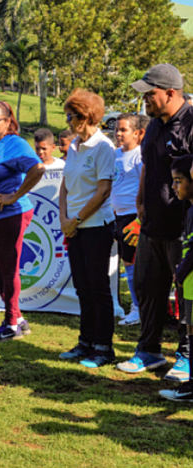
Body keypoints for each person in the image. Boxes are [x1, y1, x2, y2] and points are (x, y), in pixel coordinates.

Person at [117, 64, 193, 375]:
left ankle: (186, 356)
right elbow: (148, 164)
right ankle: (148, 351)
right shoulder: (154, 125)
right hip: (152, 224)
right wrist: (139, 198)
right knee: (147, 287)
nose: (144, 99)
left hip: (182, 228)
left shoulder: (190, 124)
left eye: (150, 93)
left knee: (187, 295)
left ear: (171, 93)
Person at [0, 100, 45, 340]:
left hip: (10, 214)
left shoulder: (14, 143)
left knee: (7, 268)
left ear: (8, 121)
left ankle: (11, 323)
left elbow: (38, 168)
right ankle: (17, 316)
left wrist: (14, 195)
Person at [58, 88, 117, 368]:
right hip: (74, 227)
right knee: (82, 286)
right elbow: (65, 184)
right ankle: (85, 342)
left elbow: (103, 191)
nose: (68, 120)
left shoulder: (104, 147)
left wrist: (77, 219)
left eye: (71, 115)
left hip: (96, 226)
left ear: (85, 116)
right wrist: (63, 219)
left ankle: (103, 347)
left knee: (97, 287)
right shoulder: (73, 146)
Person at [159, 156, 193, 402]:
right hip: (189, 285)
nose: (174, 187)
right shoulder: (189, 209)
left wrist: (180, 272)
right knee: (190, 331)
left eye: (179, 181)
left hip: (189, 280)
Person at [112, 114, 145, 326]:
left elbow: (147, 188)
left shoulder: (140, 157)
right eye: (116, 129)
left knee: (133, 265)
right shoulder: (115, 154)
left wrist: (140, 220)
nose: (118, 133)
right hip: (116, 216)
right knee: (126, 263)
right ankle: (135, 305)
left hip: (133, 217)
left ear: (137, 133)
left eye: (123, 130)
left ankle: (138, 308)